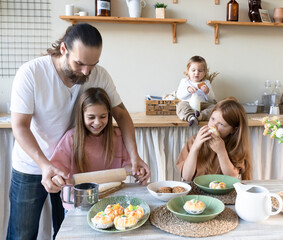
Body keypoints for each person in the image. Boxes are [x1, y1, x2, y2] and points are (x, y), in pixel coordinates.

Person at [8, 23, 150, 240]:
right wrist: (45, 165)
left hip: (71, 171)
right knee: (22, 234)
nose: (86, 72)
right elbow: (19, 126)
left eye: (92, 65)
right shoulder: (31, 73)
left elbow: (121, 114)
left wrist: (135, 156)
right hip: (32, 166)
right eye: (80, 63)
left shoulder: (98, 74)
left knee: (65, 230)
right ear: (64, 49)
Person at [50, 88, 144, 208]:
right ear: (81, 115)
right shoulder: (71, 139)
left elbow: (127, 166)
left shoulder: (117, 136)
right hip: (78, 202)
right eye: (91, 117)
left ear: (109, 115)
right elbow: (57, 169)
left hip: (111, 200)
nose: (97, 122)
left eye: (102, 116)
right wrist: (57, 178)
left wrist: (136, 171)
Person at [176, 97, 252, 181]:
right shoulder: (194, 140)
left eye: (221, 124)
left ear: (234, 130)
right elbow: (186, 177)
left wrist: (221, 152)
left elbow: (232, 178)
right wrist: (195, 148)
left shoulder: (235, 145)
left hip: (224, 191)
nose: (213, 126)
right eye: (212, 119)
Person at [176, 56, 216, 126]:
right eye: (193, 70)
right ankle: (191, 117)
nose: (197, 73)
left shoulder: (206, 83)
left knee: (215, 108)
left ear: (204, 72)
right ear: (188, 71)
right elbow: (179, 95)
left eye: (200, 71)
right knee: (180, 106)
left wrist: (207, 92)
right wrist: (187, 90)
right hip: (188, 104)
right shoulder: (184, 81)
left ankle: (200, 116)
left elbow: (211, 99)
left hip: (202, 105)